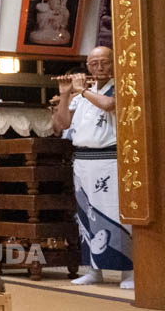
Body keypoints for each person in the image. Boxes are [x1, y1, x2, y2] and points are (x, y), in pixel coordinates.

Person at [51, 46, 133, 289]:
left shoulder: (122, 87)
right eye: (93, 63)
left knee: (116, 214)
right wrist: (64, 95)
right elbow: (61, 124)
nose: (99, 67)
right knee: (86, 216)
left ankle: (129, 271)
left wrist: (82, 91)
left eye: (104, 62)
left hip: (110, 160)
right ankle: (94, 270)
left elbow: (109, 105)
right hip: (83, 161)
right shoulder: (82, 95)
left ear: (114, 64)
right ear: (87, 66)